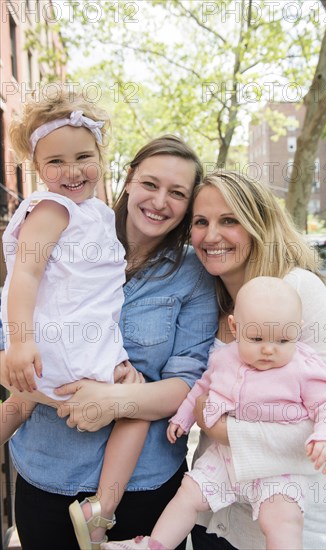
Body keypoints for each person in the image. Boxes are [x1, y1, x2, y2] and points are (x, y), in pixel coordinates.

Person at [0, 130, 217, 550]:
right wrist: (41, 391)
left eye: (177, 193)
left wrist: (114, 401)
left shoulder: (193, 274)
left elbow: (188, 385)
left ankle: (103, 508)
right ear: (129, 178)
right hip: (46, 473)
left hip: (146, 485)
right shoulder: (66, 229)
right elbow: (11, 333)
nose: (159, 201)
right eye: (150, 184)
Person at [0, 90, 153, 549]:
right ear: (37, 169)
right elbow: (24, 271)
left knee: (22, 402)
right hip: (67, 346)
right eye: (55, 163)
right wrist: (21, 341)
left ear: (102, 156)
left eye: (83, 156)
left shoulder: (97, 214)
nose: (71, 171)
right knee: (134, 409)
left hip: (75, 344)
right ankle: (101, 510)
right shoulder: (52, 209)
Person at [187, 170, 326, 549]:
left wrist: (226, 431)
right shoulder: (209, 296)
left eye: (229, 220)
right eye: (200, 221)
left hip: (301, 531)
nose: (211, 235)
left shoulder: (299, 289)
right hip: (216, 522)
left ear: (258, 225)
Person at [101, 277, 326, 550]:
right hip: (224, 459)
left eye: (283, 339)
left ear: (297, 333)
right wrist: (184, 417)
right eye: (256, 338)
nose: (269, 349)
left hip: (277, 469)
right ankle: (154, 545)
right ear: (235, 327)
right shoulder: (224, 358)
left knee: (282, 519)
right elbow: (201, 388)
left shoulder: (303, 366)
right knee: (188, 495)